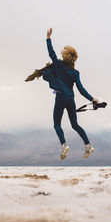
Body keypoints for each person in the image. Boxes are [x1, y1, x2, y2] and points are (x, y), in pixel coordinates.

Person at [45, 28, 98, 160]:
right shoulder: (75, 73)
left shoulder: (58, 65)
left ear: (64, 55)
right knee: (75, 125)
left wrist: (48, 38)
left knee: (57, 124)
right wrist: (92, 99)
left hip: (60, 97)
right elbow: (80, 89)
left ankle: (64, 145)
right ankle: (88, 145)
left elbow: (51, 53)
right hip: (71, 99)